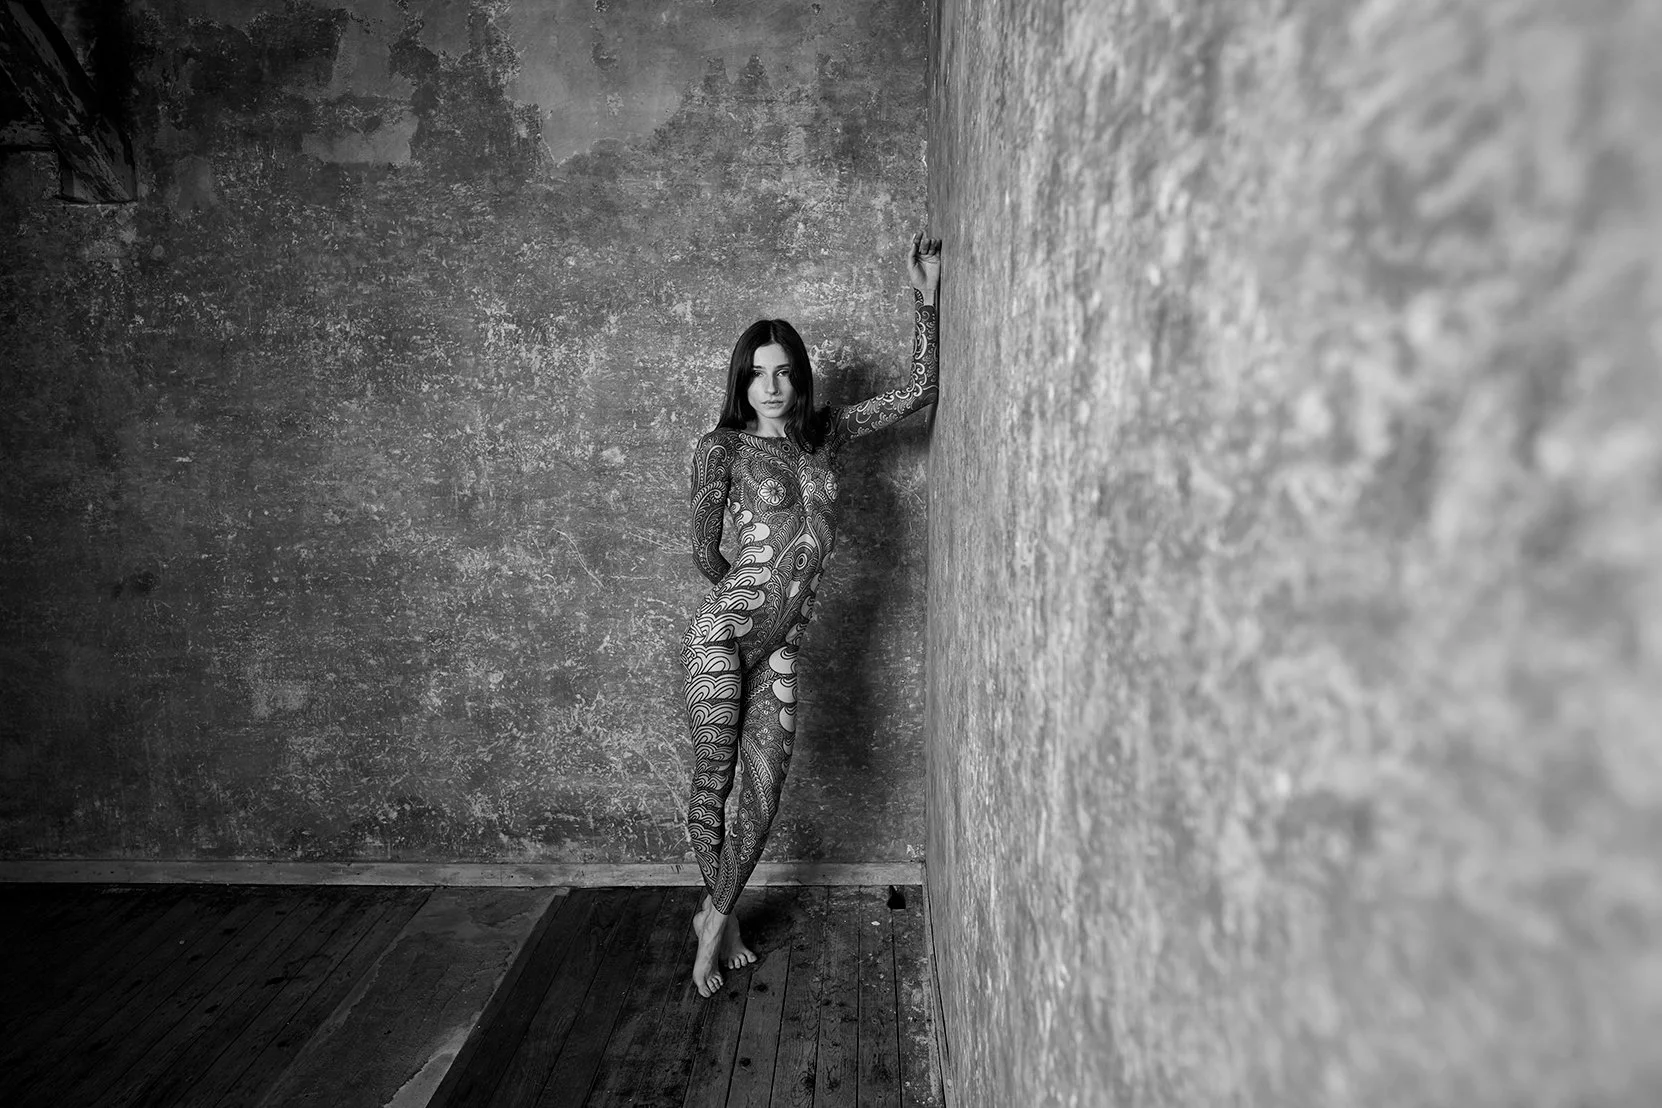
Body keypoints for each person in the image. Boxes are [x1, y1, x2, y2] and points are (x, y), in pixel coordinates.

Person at [680, 232, 941, 997]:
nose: (770, 386)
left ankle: (712, 913)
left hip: (783, 650)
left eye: (783, 371)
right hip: (724, 637)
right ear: (742, 381)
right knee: (714, 784)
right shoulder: (721, 448)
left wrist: (925, 299)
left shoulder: (826, 437)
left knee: (761, 798)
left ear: (798, 376)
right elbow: (704, 552)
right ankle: (718, 925)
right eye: (756, 373)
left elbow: (919, 391)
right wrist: (748, 598)